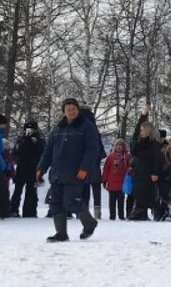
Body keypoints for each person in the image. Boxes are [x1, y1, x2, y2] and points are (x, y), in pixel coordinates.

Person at [36, 98, 99, 242]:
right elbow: (48, 151)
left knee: (71, 202)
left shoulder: (87, 127)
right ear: (64, 111)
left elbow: (92, 150)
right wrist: (41, 167)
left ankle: (89, 223)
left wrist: (85, 167)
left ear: (78, 110)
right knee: (56, 203)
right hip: (57, 173)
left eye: (73, 109)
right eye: (68, 109)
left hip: (76, 173)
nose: (71, 112)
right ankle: (61, 234)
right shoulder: (57, 128)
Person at [128, 121, 163, 221]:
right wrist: (139, 140)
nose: (141, 132)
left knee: (149, 193)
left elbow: (157, 159)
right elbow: (134, 151)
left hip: (149, 171)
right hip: (139, 170)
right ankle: (140, 212)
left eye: (142, 130)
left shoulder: (154, 143)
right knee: (139, 192)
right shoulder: (140, 142)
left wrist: (155, 172)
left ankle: (156, 212)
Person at [10, 120, 45, 218]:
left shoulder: (39, 141)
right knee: (17, 190)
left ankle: (29, 212)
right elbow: (14, 154)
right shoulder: (20, 140)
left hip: (33, 169)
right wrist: (18, 160)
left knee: (31, 192)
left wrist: (36, 143)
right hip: (22, 168)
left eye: (31, 129)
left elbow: (43, 153)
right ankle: (13, 210)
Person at [101, 139, 130, 220]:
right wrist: (104, 180)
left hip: (122, 183)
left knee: (121, 200)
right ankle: (112, 216)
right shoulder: (110, 157)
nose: (119, 147)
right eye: (117, 145)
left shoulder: (127, 156)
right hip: (112, 183)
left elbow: (129, 168)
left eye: (121, 145)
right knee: (112, 201)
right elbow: (106, 169)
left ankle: (121, 215)